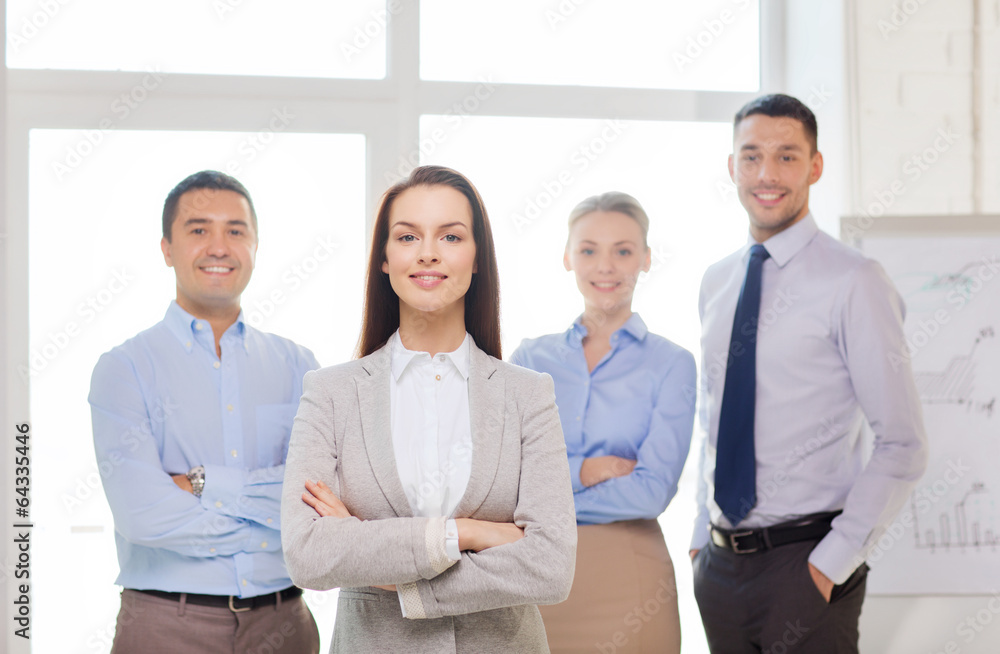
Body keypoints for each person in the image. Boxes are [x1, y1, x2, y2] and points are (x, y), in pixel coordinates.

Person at [280, 165, 577, 653]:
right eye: (408, 236)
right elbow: (310, 555)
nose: (428, 252)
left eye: (451, 236)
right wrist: (470, 533)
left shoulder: (528, 394)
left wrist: (379, 561)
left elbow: (551, 567)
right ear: (384, 257)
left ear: (478, 258)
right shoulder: (330, 393)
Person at [690, 94, 928, 653]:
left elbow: (903, 443)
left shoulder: (856, 280)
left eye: (787, 157)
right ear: (731, 166)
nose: (766, 174)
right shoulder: (716, 281)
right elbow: (715, 417)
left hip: (807, 565)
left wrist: (828, 566)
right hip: (720, 571)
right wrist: (702, 537)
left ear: (815, 166)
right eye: (751, 156)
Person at [89, 170, 321, 654]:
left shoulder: (300, 367)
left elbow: (322, 497)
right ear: (166, 248)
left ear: (255, 245)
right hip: (165, 625)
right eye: (198, 230)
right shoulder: (124, 368)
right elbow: (143, 515)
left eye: (235, 230)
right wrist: (275, 525)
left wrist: (199, 484)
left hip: (284, 623)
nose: (219, 246)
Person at [511, 192, 696, 653]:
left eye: (624, 250)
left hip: (629, 575)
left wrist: (542, 500)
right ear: (568, 258)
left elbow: (652, 491)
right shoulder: (530, 359)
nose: (605, 266)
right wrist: (586, 471)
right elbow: (503, 476)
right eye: (589, 249)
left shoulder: (672, 364)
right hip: (534, 575)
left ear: (646, 259)